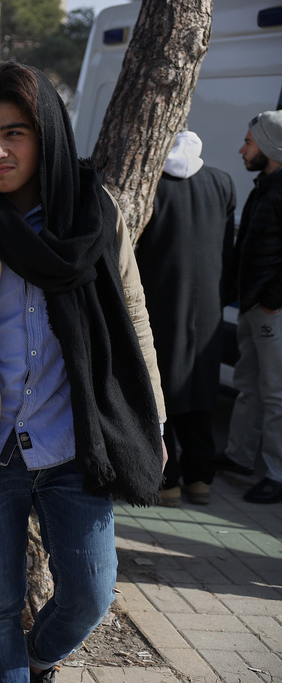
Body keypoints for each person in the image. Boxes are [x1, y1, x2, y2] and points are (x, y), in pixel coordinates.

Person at [0, 62, 167, 682]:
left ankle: (33, 662)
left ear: (46, 133)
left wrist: (152, 413)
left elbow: (133, 317)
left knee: (90, 598)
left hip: (78, 444)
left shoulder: (94, 215)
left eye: (14, 133)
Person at [134, 131, 236, 507]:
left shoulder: (153, 186)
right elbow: (228, 250)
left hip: (161, 303)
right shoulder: (222, 182)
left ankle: (169, 478)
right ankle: (200, 478)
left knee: (166, 392)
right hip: (209, 304)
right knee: (201, 393)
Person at [216, 109, 282, 505]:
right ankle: (240, 457)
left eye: (249, 141)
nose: (242, 149)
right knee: (247, 386)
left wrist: (271, 302)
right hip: (252, 306)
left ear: (271, 146)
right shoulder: (266, 185)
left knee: (275, 393)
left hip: (269, 310)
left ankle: (276, 474)